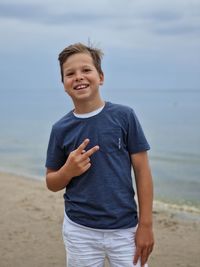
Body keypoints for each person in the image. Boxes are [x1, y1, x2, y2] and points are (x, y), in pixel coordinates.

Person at [45, 42, 154, 267]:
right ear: (64, 84)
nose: (79, 77)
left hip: (125, 229)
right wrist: (68, 171)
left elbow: (142, 172)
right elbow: (52, 182)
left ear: (101, 77)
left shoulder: (124, 117)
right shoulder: (60, 129)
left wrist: (145, 225)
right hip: (79, 230)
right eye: (70, 73)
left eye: (86, 70)